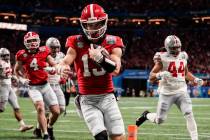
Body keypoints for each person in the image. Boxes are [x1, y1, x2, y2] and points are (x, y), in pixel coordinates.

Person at [57, 4, 125, 140]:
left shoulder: (113, 41)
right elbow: (65, 61)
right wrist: (61, 67)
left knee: (117, 137)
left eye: (96, 24)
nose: (92, 28)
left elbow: (116, 70)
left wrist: (100, 59)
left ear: (103, 22)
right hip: (87, 99)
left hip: (108, 97)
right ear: (83, 25)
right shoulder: (75, 41)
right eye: (89, 25)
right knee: (101, 136)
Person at [136, 35, 204, 140]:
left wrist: (195, 79)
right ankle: (146, 115)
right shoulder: (162, 58)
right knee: (159, 120)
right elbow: (151, 77)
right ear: (167, 47)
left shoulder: (183, 56)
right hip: (167, 93)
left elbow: (185, 73)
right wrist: (160, 74)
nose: (176, 50)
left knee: (189, 113)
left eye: (178, 47)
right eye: (173, 48)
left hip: (181, 91)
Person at [14, 32, 60, 140]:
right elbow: (16, 70)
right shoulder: (22, 54)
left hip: (45, 86)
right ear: (25, 43)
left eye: (34, 40)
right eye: (29, 41)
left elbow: (54, 64)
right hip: (33, 87)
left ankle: (48, 127)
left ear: (38, 41)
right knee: (40, 108)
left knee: (56, 112)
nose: (32, 43)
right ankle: (45, 135)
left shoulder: (44, 51)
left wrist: (53, 68)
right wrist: (21, 79)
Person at [0, 48, 33, 132]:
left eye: (7, 55)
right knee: (1, 109)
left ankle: (22, 125)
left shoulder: (7, 62)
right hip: (2, 86)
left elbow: (9, 74)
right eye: (3, 56)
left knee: (16, 107)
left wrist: (17, 78)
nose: (6, 57)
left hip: (8, 87)